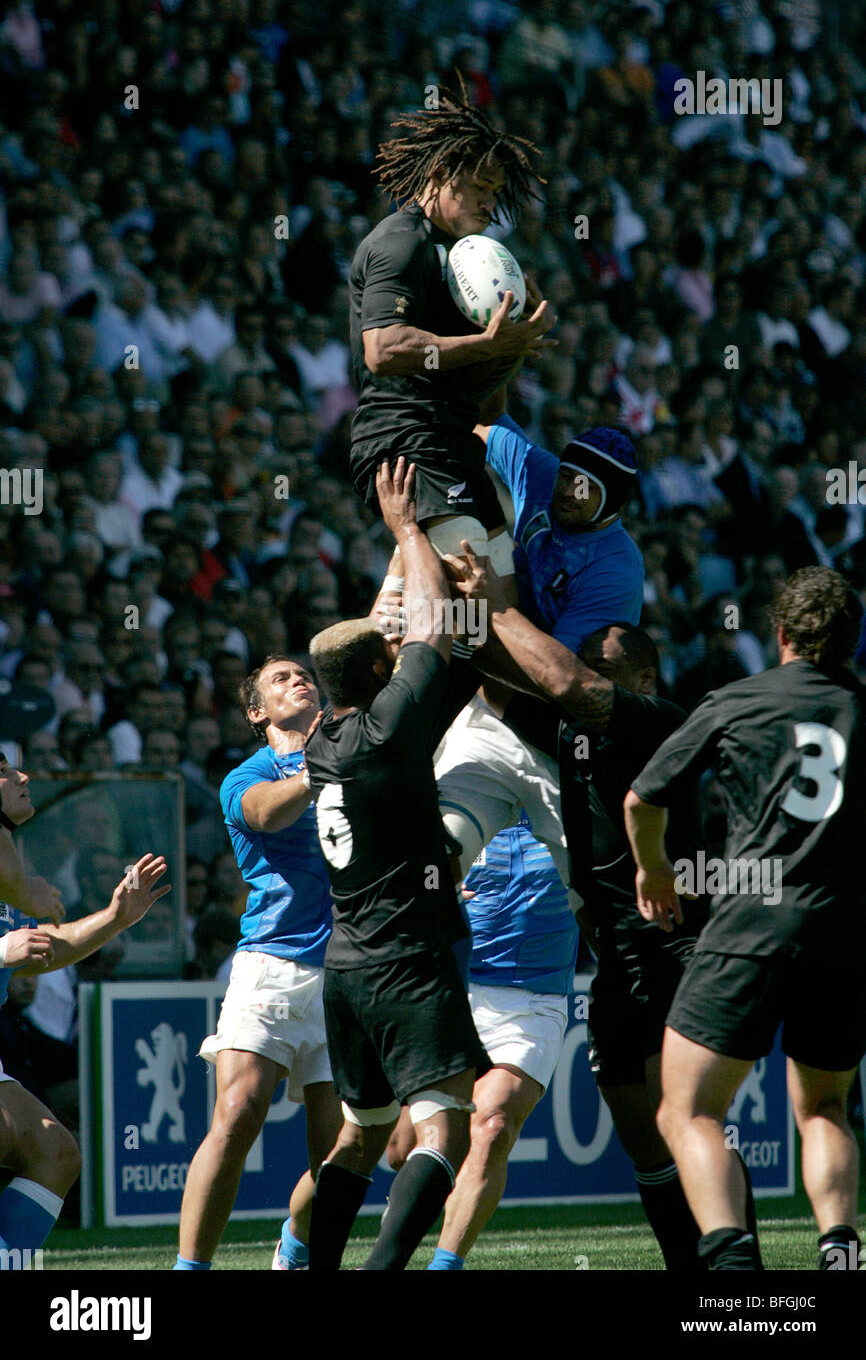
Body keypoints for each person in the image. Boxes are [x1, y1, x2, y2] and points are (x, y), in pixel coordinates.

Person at [444, 548, 716, 1269]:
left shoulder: (662, 720)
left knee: (686, 1123)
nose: (585, 670)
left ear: (642, 678)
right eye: (585, 656)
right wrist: (469, 612)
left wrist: (499, 603)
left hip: (676, 949)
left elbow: (568, 681)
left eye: (604, 662)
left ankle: (738, 1282)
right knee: (640, 1135)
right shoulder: (574, 731)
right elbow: (510, 681)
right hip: (615, 963)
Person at [624, 566, 866, 1271]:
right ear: (852, 641)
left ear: (781, 634)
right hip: (846, 939)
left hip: (752, 927)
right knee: (825, 1109)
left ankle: (733, 1271)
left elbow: (644, 798)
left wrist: (655, 870)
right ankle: (840, 1254)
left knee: (688, 1108)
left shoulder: (736, 700)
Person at [305, 458, 489, 1272]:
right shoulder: (387, 732)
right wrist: (407, 530)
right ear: (380, 675)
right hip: (404, 959)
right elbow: (430, 629)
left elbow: (392, 646)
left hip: (343, 965)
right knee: (446, 1128)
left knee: (363, 1131)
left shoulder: (322, 744)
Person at [174, 657, 342, 1272]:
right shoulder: (246, 776)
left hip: (348, 973)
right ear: (256, 713)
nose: (298, 681)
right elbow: (271, 812)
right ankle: (189, 1269)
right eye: (280, 680)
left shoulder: (349, 756)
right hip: (271, 965)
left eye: (305, 675)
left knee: (340, 1155)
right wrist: (321, 766)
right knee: (238, 1115)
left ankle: (295, 1246)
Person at [432, 408, 643, 889]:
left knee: (594, 897)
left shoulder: (616, 571)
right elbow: (482, 415)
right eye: (569, 477)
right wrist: (497, 342)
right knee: (442, 851)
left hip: (559, 739)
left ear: (612, 501)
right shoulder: (541, 471)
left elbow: (554, 680)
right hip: (489, 720)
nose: (569, 491)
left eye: (587, 488)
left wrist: (482, 626)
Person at [349, 79, 555, 573]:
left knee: (503, 590)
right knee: (474, 600)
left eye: (497, 193)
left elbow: (488, 406)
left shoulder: (469, 266)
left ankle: (357, 650)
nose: (490, 205)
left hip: (452, 441)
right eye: (481, 189)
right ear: (441, 174)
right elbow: (382, 348)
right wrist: (484, 342)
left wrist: (508, 349)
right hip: (405, 439)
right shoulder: (403, 244)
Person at [0, 752, 169, 1263]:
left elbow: (42, 949)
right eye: (4, 769)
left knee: (55, 1152)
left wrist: (116, 917)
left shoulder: (11, 861)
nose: (22, 777)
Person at [388, 819, 578, 1270]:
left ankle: (444, 1264)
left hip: (533, 1000)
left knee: (492, 1127)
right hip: (450, 986)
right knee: (399, 1149)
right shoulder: (455, 802)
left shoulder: (563, 808)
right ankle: (296, 1243)